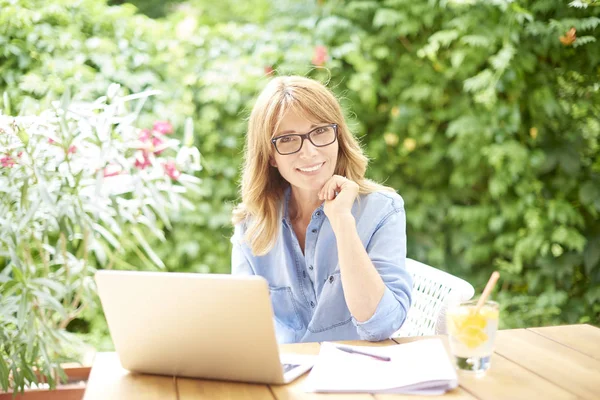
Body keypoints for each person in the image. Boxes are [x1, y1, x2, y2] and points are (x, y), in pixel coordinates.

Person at [231, 75, 412, 343]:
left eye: (320, 132)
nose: (309, 152)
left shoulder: (383, 210)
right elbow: (241, 326)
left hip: (357, 375)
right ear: (270, 155)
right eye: (289, 139)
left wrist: (342, 221)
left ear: (338, 136)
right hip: (283, 376)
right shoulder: (252, 222)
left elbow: (380, 326)